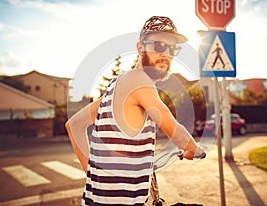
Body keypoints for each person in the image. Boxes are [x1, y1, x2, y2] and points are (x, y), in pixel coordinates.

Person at [65, 16, 205, 206]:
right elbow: (174, 129)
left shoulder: (116, 87)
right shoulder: (137, 80)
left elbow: (74, 124)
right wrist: (193, 149)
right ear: (140, 48)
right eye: (159, 46)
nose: (166, 54)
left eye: (172, 48)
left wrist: (93, 174)